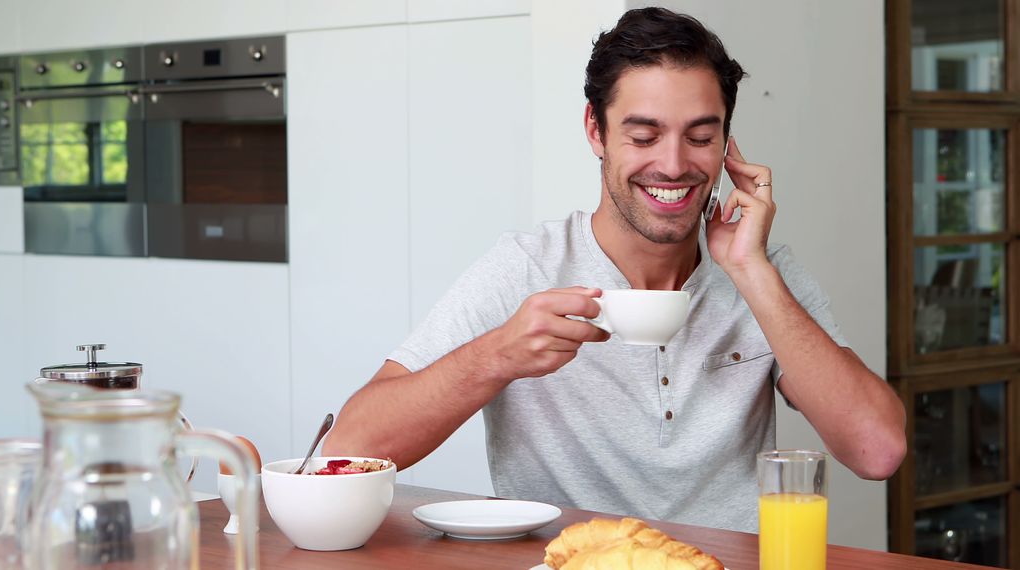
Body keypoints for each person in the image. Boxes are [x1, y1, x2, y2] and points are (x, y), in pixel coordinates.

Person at [323, 7, 906, 532]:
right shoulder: (528, 267)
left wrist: (750, 271)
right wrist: (498, 355)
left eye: (701, 137)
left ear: (727, 143)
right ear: (595, 131)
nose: (674, 165)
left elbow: (877, 451)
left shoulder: (763, 270)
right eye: (644, 135)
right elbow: (346, 449)